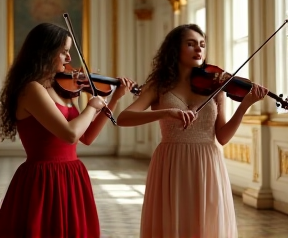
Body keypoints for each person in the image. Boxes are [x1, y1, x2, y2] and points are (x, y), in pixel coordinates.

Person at [117, 24, 268, 238]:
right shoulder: (158, 86)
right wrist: (165, 112)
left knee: (205, 224)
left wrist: (245, 105)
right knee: (173, 222)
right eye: (191, 44)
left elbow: (223, 137)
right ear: (175, 49)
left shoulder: (216, 87)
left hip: (207, 161)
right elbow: (123, 118)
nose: (199, 49)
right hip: (171, 162)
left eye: (202, 45)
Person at [0, 22, 134, 238]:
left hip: (71, 174)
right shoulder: (32, 89)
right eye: (63, 52)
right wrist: (92, 105)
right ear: (45, 52)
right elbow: (69, 134)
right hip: (43, 179)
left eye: (69, 52)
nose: (69, 58)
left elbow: (86, 137)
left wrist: (114, 99)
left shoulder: (64, 89)